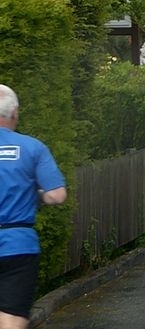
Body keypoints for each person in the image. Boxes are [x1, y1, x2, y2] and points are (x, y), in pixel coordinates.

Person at [0, 85, 67, 329]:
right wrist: (36, 195)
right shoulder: (32, 148)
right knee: (11, 319)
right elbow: (57, 195)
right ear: (15, 113)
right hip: (18, 244)